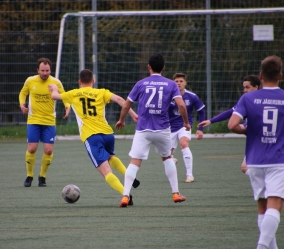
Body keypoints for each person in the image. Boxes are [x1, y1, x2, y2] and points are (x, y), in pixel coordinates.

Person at [49, 69, 140, 205]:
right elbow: (120, 99)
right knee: (111, 157)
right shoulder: (101, 92)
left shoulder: (74, 93)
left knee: (106, 172)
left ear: (79, 82)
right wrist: (133, 115)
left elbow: (55, 96)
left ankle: (125, 194)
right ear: (93, 81)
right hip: (108, 134)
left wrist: (54, 88)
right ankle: (130, 177)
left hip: (92, 136)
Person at [228, 55, 284, 249]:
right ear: (280, 76)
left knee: (263, 209)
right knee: (275, 206)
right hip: (278, 160)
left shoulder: (249, 99)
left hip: (254, 160)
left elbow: (233, 124)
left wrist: (246, 131)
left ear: (260, 76)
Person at [115, 53, 191, 207]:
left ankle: (125, 195)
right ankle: (175, 193)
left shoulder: (141, 84)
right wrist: (186, 123)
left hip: (143, 130)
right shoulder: (171, 84)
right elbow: (181, 105)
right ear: (163, 67)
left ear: (148, 67)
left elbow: (127, 105)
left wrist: (121, 120)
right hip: (162, 129)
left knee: (134, 162)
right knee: (167, 158)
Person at [19, 57, 71, 187]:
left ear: (50, 70)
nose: (45, 73)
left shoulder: (55, 82)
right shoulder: (30, 81)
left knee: (48, 151)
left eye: (47, 70)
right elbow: (23, 93)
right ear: (38, 70)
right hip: (33, 120)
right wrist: (22, 104)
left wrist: (67, 106)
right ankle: (29, 176)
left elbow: (64, 95)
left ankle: (42, 177)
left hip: (49, 121)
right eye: (42, 70)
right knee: (32, 148)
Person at [198, 75, 261, 177]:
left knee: (250, 168)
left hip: (260, 140)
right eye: (244, 87)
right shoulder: (251, 99)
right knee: (247, 167)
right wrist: (211, 121)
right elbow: (231, 112)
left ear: (256, 87)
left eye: (247, 87)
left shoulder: (250, 101)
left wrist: (244, 127)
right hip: (263, 140)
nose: (245, 90)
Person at [168, 72, 205, 183]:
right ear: (173, 83)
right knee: (166, 154)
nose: (179, 83)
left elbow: (201, 112)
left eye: (181, 81)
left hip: (184, 126)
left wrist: (200, 129)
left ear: (185, 83)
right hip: (169, 127)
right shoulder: (167, 96)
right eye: (176, 81)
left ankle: (189, 175)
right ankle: (172, 158)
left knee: (184, 143)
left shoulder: (192, 96)